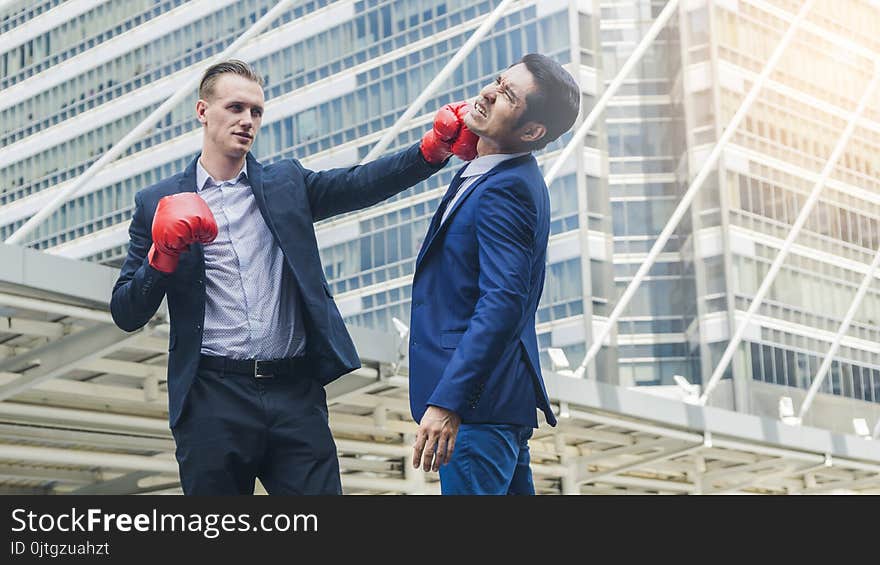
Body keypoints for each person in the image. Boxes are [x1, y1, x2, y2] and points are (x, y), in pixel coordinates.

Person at [110, 59, 477, 495]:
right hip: (212, 397)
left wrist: (430, 151)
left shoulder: (286, 182)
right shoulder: (157, 202)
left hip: (294, 394)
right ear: (202, 111)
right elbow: (126, 311)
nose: (247, 120)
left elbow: (359, 183)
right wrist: (161, 255)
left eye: (256, 112)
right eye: (235, 108)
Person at [408, 54, 580, 495]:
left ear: (532, 132)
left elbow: (502, 302)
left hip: (476, 411)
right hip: (496, 405)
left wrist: (449, 401)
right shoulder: (496, 174)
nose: (487, 92)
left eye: (507, 95)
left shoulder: (507, 189)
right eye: (498, 80)